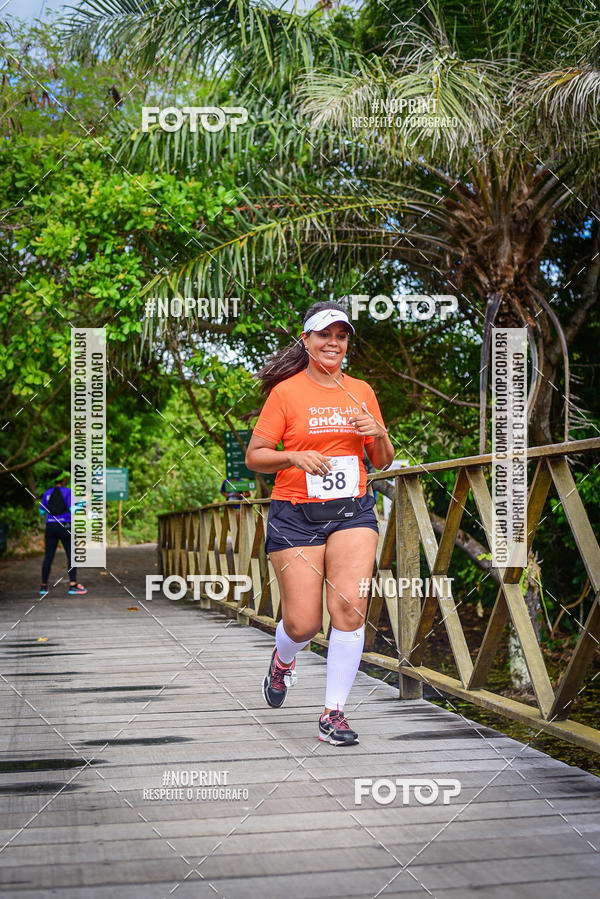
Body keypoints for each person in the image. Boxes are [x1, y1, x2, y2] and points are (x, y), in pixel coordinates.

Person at [246, 302, 395, 745]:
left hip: (353, 511)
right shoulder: (287, 393)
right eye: (324, 335)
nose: (334, 343)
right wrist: (293, 456)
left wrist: (378, 433)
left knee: (350, 610)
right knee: (303, 625)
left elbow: (381, 462)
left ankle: (334, 714)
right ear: (307, 341)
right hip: (295, 515)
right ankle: (283, 658)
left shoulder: (362, 390)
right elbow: (257, 455)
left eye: (341, 336)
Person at [39, 472, 87, 596]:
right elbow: (73, 509)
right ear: (64, 480)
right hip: (65, 526)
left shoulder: (47, 493)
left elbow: (41, 511)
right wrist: (84, 502)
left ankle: (43, 586)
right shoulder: (68, 492)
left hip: (50, 526)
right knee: (71, 556)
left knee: (48, 557)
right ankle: (73, 585)